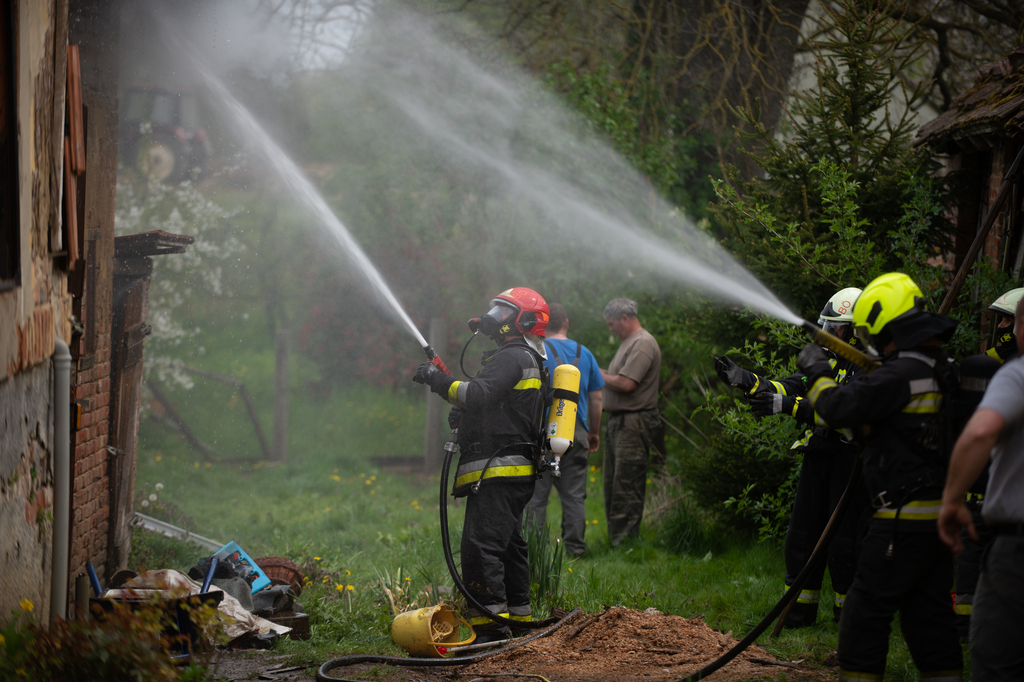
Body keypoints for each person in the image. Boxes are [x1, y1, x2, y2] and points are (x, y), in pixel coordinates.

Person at [797, 272, 962, 682]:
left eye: (875, 336)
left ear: (890, 328)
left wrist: (817, 368)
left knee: (863, 619)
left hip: (898, 523)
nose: (872, 346)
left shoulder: (900, 374)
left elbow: (837, 407)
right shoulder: (940, 368)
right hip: (937, 523)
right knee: (931, 626)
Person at [715, 287, 868, 627]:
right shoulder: (827, 362)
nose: (827, 335)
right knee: (801, 538)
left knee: (845, 546)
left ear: (853, 332)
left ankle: (850, 618)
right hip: (819, 458)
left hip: (850, 464)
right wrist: (748, 381)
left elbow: (841, 412)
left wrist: (787, 407)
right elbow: (791, 386)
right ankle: (797, 613)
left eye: (835, 328)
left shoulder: (869, 369)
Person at [413, 287, 549, 642]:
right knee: (507, 544)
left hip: (498, 468)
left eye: (503, 311)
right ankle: (519, 619)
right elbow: (494, 404)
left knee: (481, 547)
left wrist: (437, 379)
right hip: (510, 469)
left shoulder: (511, 356)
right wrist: (467, 414)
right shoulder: (522, 357)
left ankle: (490, 631)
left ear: (524, 321)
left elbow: (476, 394)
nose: (493, 316)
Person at [939, 293, 1024, 681]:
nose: (1005, 331)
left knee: (995, 660)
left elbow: (979, 434)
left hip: (1017, 546)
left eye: (1010, 323)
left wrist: (951, 500)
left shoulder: (1015, 374)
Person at [527, 303, 605, 557]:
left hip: (541, 435)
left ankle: (533, 550)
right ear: (567, 323)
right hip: (577, 434)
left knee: (536, 497)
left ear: (543, 325)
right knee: (573, 497)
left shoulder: (537, 352)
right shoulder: (586, 354)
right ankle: (576, 550)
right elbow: (597, 400)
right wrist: (593, 433)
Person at [600, 297, 662, 547]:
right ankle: (616, 543)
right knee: (612, 484)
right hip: (620, 422)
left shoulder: (643, 343)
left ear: (625, 318)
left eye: (612, 323)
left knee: (627, 485)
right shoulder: (629, 342)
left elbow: (627, 383)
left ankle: (625, 546)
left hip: (634, 424)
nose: (610, 329)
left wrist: (599, 374)